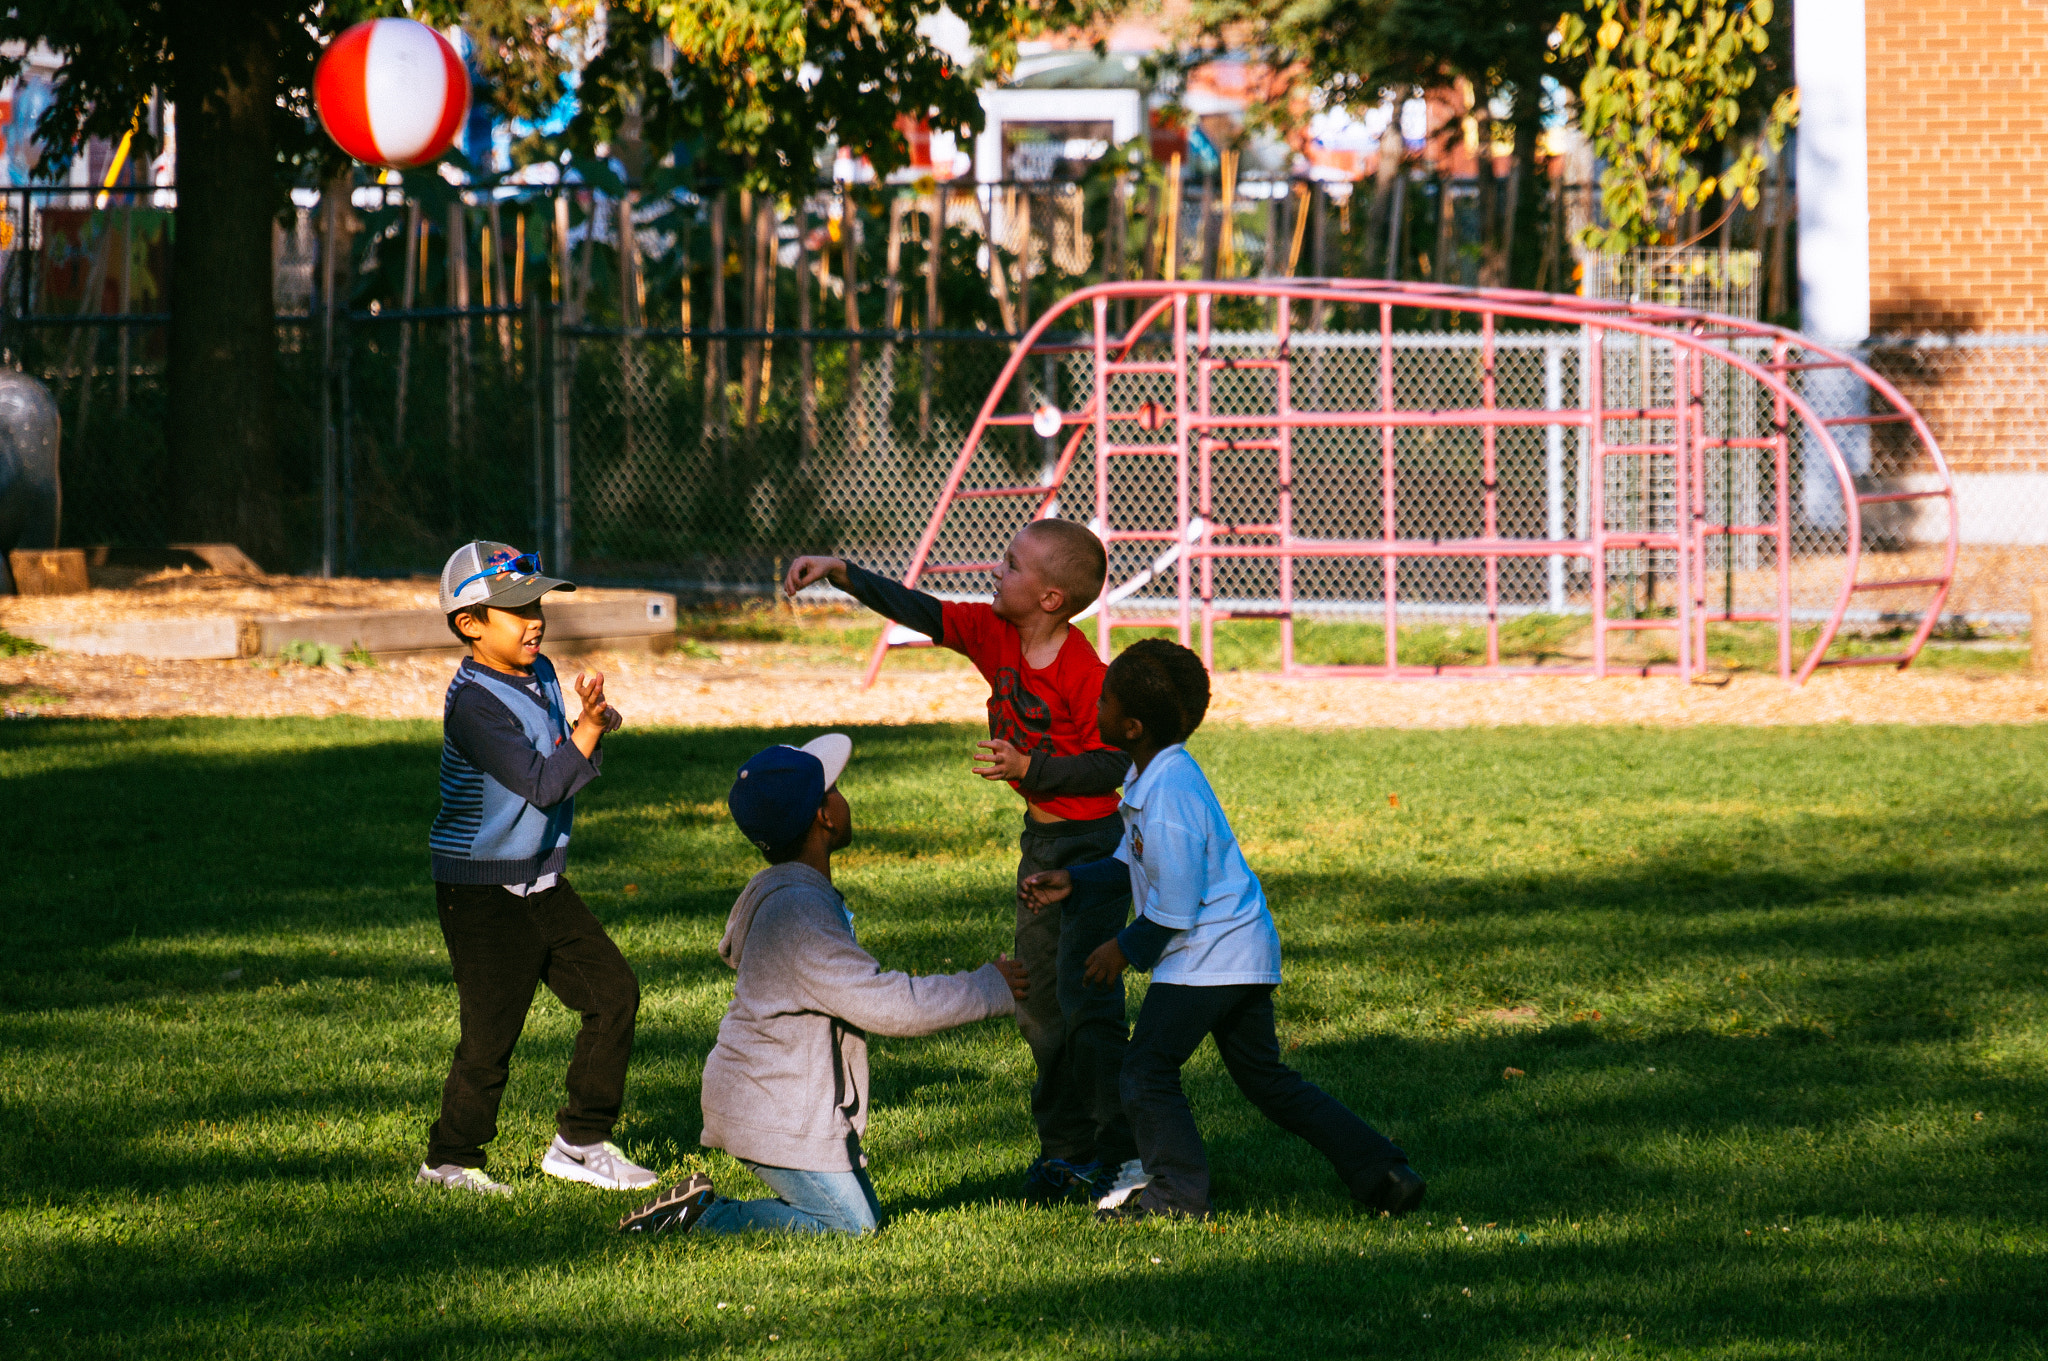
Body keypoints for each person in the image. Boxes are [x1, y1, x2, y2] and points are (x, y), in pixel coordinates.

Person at [781, 524, 1135, 1205]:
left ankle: (1123, 1149)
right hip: (1042, 845)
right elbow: (922, 610)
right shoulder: (996, 632)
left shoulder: (1083, 670)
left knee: (1088, 1001)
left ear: (1052, 597)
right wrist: (841, 569)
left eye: (1012, 564)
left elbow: (1112, 760)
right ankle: (1065, 1149)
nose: (996, 571)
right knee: (1037, 1002)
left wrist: (1034, 765)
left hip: (1092, 850)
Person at [1020, 638, 1427, 1223]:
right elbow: (1133, 867)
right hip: (1235, 948)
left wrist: (1121, 950)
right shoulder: (1154, 777)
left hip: (1208, 954)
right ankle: (1384, 1172)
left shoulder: (1169, 794)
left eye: (1103, 700)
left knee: (1145, 1071)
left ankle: (1177, 1197)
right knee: (1267, 1080)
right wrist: (1073, 881)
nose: (1096, 709)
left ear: (1131, 727)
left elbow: (1177, 907)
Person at [617, 735, 1028, 1237]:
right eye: (834, 790)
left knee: (861, 1217)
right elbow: (892, 1004)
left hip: (783, 1100)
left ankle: (709, 1210)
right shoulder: (799, 916)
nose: (842, 797)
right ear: (824, 818)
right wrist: (991, 988)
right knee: (852, 1227)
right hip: (770, 1110)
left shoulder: (796, 896)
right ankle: (703, 1217)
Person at [415, 541, 655, 1196]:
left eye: (537, 603)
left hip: (540, 879)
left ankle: (580, 1141)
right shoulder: (473, 703)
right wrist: (585, 733)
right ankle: (449, 1160)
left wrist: (592, 721)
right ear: (470, 623)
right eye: (516, 608)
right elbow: (541, 783)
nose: (535, 619)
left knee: (613, 994)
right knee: (491, 1034)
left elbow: (559, 754)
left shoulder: (541, 670)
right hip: (483, 890)